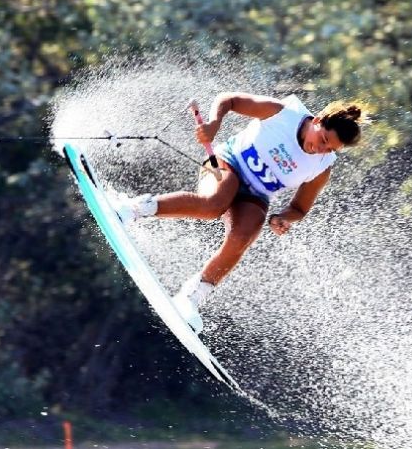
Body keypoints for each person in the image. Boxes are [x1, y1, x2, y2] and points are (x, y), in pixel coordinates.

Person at [109, 92, 364, 333]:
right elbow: (229, 100)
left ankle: (191, 297)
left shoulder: (322, 167)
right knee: (213, 204)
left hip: (255, 195)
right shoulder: (283, 113)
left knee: (244, 236)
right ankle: (132, 209)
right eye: (322, 140)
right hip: (227, 163)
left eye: (330, 149)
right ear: (317, 121)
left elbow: (299, 208)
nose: (320, 150)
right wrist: (214, 124)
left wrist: (284, 217)